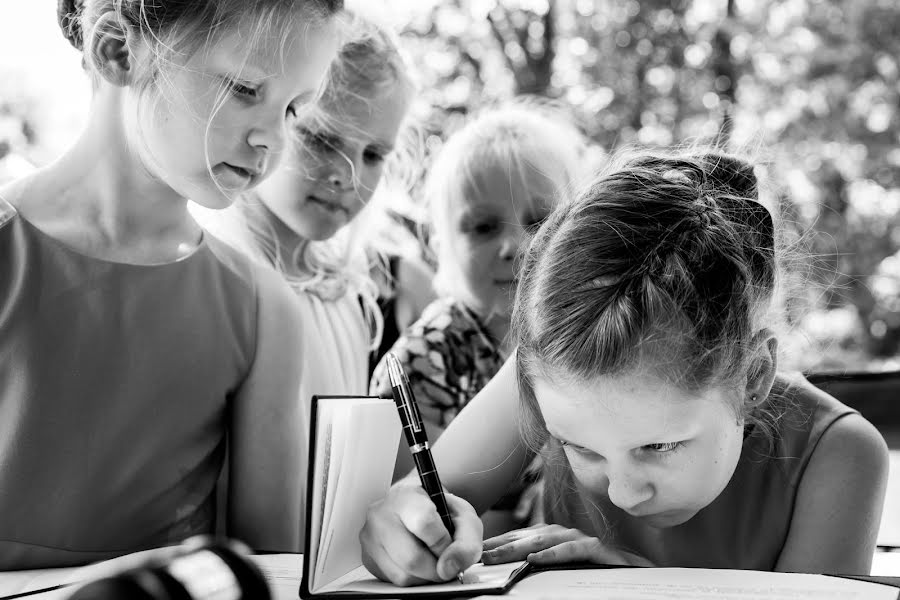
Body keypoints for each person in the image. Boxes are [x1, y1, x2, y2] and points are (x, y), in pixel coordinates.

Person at [359, 151, 890, 584]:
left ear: (752, 376)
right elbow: (420, 498)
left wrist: (636, 587)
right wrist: (408, 524)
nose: (621, 494)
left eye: (658, 447)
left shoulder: (838, 455)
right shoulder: (551, 371)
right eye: (579, 447)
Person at [0, 0, 341, 569]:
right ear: (117, 49)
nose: (272, 142)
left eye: (293, 111)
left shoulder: (261, 309)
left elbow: (270, 566)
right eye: (244, 88)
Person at [196, 14, 415, 413]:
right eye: (321, 139)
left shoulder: (344, 289)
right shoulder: (218, 282)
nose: (347, 176)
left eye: (373, 155)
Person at [369, 107, 584, 502]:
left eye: (539, 221)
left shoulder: (590, 333)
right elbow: (416, 510)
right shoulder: (425, 360)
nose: (515, 247)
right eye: (484, 227)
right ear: (438, 244)